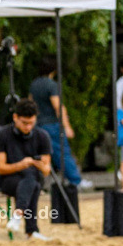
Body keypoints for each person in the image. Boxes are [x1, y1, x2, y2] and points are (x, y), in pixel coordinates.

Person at [29, 56, 92, 190]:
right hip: (52, 124)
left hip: (37, 125)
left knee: (39, 155)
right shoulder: (52, 85)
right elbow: (58, 106)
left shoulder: (34, 84)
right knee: (62, 153)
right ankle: (75, 180)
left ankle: (36, 183)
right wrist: (67, 126)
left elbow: (31, 104)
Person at [0, 99, 53, 238]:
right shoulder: (2, 135)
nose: (28, 127)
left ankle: (18, 215)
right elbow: (0, 168)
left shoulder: (42, 136)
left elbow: (46, 171)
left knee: (32, 178)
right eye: (24, 123)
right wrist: (21, 164)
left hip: (31, 179)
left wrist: (37, 164)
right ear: (15, 117)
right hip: (9, 179)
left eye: (31, 123)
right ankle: (32, 231)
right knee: (33, 182)